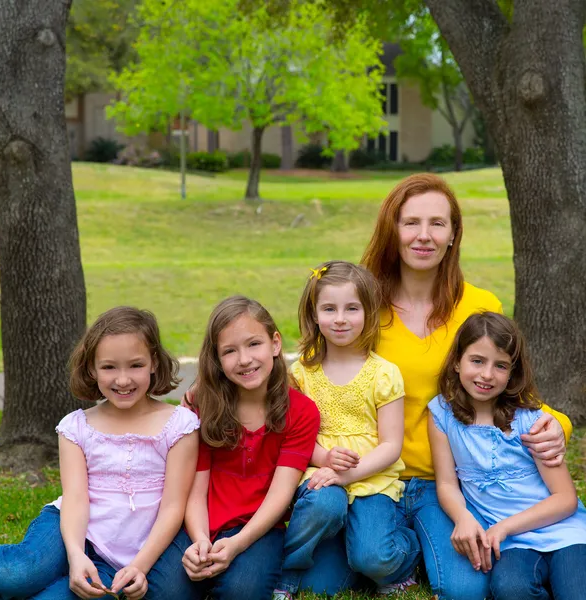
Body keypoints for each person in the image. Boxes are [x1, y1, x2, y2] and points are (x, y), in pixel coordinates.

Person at [355, 172, 572, 600]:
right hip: (376, 476)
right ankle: (395, 547)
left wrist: (556, 427)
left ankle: (421, 543)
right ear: (391, 230)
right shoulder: (363, 305)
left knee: (467, 589)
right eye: (410, 222)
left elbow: (511, 388)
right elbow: (313, 375)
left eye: (438, 223)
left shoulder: (480, 305)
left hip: (447, 484)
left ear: (454, 233)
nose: (424, 236)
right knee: (366, 557)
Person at [0, 306, 200, 600]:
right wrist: (75, 555)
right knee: (21, 573)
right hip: (71, 532)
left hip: (131, 556)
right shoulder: (77, 427)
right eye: (109, 367)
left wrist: (140, 566)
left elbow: (174, 507)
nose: (123, 380)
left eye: (135, 365)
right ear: (91, 369)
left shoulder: (179, 426)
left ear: (154, 363)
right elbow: (75, 498)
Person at [273, 261, 421, 599]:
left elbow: (390, 446)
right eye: (329, 308)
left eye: (352, 308)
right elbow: (293, 437)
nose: (340, 318)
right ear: (313, 314)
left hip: (371, 477)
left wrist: (346, 475)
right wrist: (325, 459)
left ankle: (404, 550)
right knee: (325, 508)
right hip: (320, 474)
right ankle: (289, 573)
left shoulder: (383, 374)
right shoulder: (302, 373)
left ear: (368, 313)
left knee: (372, 558)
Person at [428, 312, 586, 600]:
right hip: (513, 545)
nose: (487, 375)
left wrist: (503, 527)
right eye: (477, 361)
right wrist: (462, 516)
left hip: (564, 533)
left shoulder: (530, 420)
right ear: (456, 361)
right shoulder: (442, 415)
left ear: (512, 372)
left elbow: (565, 499)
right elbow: (447, 483)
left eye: (500, 365)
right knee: (510, 589)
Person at [180, 296, 320, 600]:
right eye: (229, 351)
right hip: (199, 521)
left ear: (275, 344)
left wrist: (238, 544)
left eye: (253, 344)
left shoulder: (302, 411)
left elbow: (281, 494)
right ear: (217, 360)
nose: (244, 360)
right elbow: (194, 488)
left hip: (259, 529)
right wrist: (200, 540)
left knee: (241, 592)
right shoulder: (201, 406)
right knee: (166, 590)